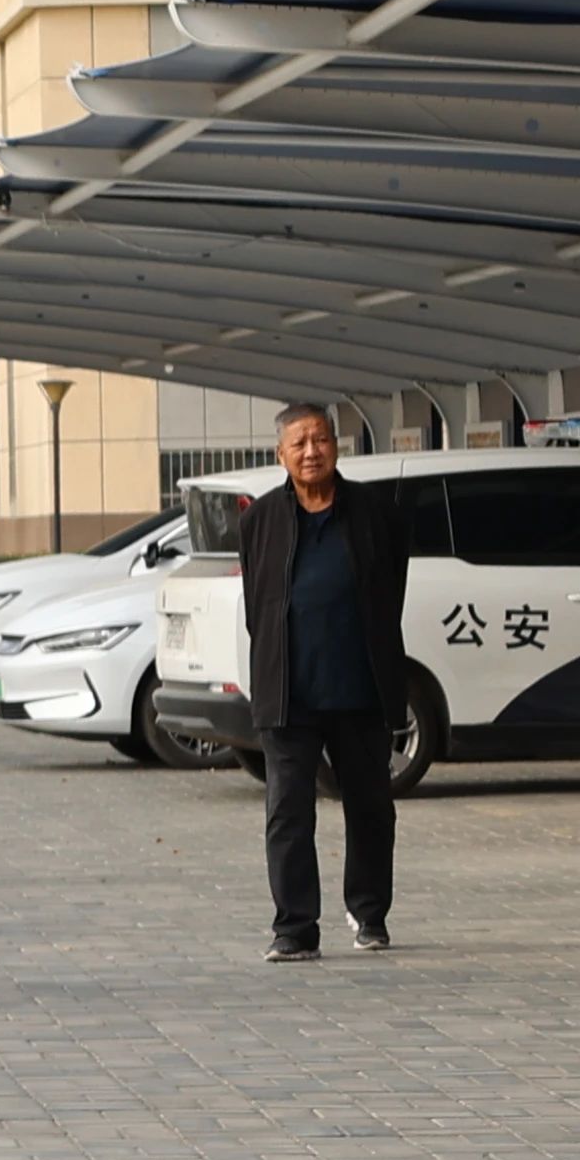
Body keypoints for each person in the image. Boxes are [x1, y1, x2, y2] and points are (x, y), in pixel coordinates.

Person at [235, 401, 411, 961]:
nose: (312, 452)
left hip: (360, 690)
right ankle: (295, 928)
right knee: (288, 812)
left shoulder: (375, 513)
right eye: (300, 443)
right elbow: (258, 608)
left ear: (336, 445)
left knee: (371, 808)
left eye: (321, 440)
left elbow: (391, 593)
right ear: (281, 455)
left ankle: (370, 914)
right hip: (290, 694)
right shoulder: (260, 520)